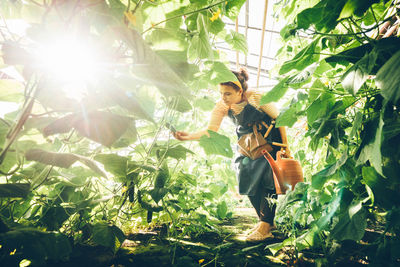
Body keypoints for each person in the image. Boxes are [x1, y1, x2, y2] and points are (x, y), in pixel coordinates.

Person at [173, 68, 290, 242]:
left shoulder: (256, 97)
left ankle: (265, 225)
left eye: (228, 93)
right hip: (246, 146)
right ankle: (266, 224)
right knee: (246, 180)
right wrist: (188, 136)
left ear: (240, 91)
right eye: (221, 93)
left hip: (269, 143)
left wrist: (286, 146)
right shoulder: (222, 105)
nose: (223, 97)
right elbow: (211, 131)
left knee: (267, 182)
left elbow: (281, 119)